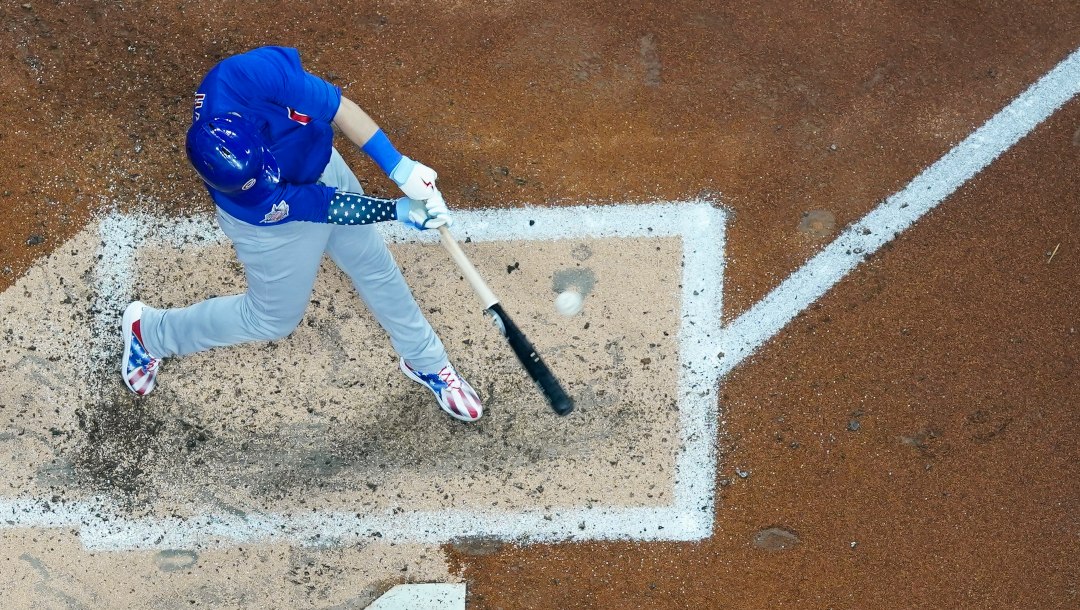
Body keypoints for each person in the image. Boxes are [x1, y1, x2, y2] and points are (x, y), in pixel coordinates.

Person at [119, 46, 482, 422]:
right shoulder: (253, 197)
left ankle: (427, 360)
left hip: (325, 165)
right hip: (278, 228)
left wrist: (401, 169)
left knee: (374, 265)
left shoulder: (249, 76)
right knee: (270, 319)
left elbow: (340, 108)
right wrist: (398, 210)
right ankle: (150, 332)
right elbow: (323, 205)